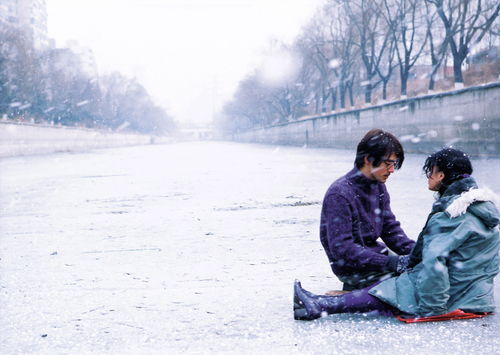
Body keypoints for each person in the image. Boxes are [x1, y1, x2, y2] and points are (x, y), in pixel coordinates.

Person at [294, 148, 500, 321]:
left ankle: (320, 304)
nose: (428, 176)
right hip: (477, 295)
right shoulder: (479, 208)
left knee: (394, 291)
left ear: (441, 175)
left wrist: (432, 308)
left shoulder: (451, 214)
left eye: (431, 171)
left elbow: (434, 262)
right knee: (399, 282)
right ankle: (331, 300)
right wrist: (410, 259)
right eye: (389, 164)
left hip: (454, 296)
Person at [320, 128, 415, 291]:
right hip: (353, 269)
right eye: (388, 163)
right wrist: (392, 263)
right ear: (368, 160)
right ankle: (353, 295)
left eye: (395, 164)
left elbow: (390, 230)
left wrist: (418, 252)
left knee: (425, 270)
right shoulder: (339, 194)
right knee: (417, 284)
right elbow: (342, 249)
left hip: (377, 259)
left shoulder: (378, 188)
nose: (392, 170)